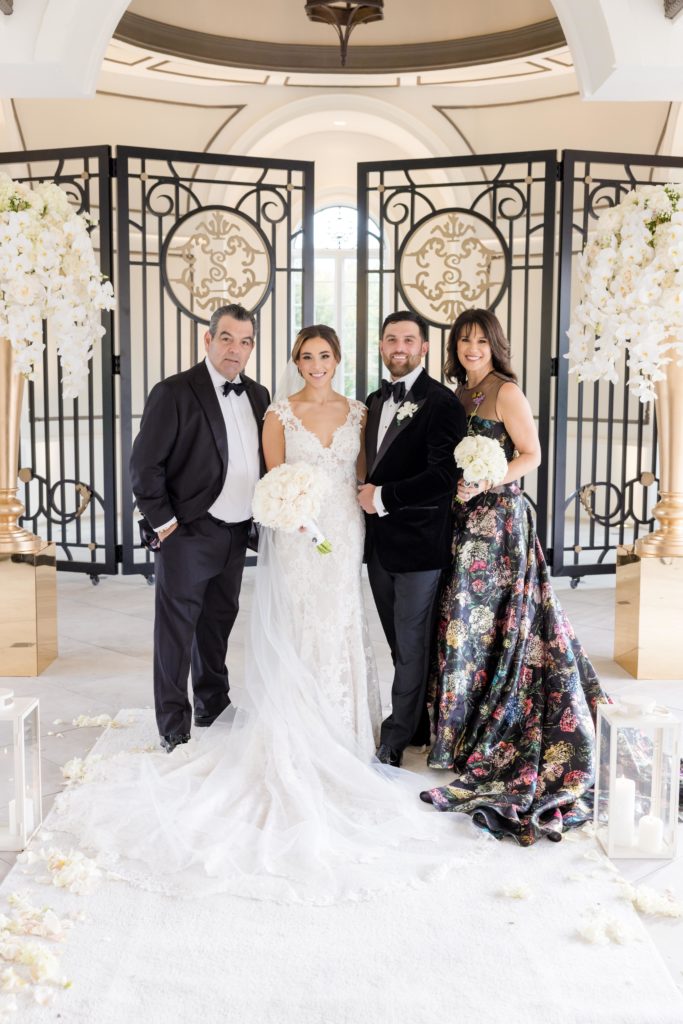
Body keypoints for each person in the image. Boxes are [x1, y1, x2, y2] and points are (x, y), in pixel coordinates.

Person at [53, 325, 471, 904]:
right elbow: (273, 481)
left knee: (342, 621)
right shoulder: (276, 411)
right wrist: (288, 517)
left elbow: (364, 474)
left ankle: (347, 728)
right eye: (306, 356)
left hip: (347, 533)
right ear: (294, 360)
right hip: (298, 538)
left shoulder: (360, 411)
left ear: (340, 358)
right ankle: (220, 724)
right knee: (287, 623)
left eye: (326, 355)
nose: (316, 363)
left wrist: (361, 511)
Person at [421, 308, 608, 844]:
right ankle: (458, 731)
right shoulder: (458, 395)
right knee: (463, 625)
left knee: (490, 624)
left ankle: (492, 725)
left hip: (500, 523)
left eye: (481, 341)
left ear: (495, 345)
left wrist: (486, 478)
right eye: (464, 340)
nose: (472, 348)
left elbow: (532, 454)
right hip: (461, 522)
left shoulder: (506, 391)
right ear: (454, 346)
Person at [129, 303, 270, 752]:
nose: (235, 348)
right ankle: (174, 724)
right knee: (177, 630)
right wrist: (164, 522)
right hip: (189, 531)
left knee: (217, 623)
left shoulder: (259, 395)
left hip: (235, 531)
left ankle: (213, 702)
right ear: (207, 340)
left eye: (244, 341)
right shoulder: (174, 392)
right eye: (226, 338)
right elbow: (144, 465)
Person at [358, 311, 467, 768]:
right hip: (379, 543)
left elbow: (444, 476)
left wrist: (382, 496)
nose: (398, 347)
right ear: (381, 346)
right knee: (399, 643)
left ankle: (396, 736)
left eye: (408, 339)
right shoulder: (373, 399)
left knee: (412, 639)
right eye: (390, 339)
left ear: (424, 347)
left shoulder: (442, 403)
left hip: (420, 545)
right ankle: (417, 719)